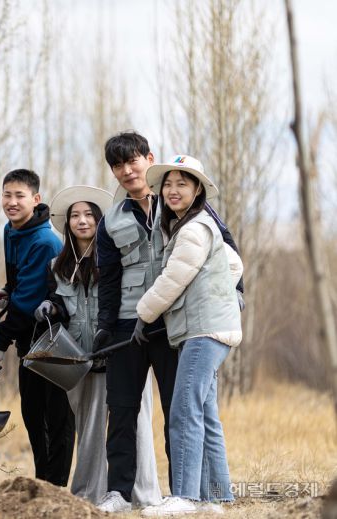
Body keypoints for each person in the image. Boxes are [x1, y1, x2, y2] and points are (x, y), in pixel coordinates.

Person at [94, 132, 241, 513]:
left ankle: (183, 491)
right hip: (129, 326)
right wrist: (103, 328)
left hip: (173, 325)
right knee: (122, 410)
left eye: (133, 161)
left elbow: (226, 251)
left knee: (182, 408)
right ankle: (119, 493)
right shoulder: (109, 220)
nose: (127, 171)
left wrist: (234, 295)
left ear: (149, 159)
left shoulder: (181, 202)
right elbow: (107, 280)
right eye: (118, 165)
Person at [35, 185, 162, 506]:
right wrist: (50, 307)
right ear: (67, 223)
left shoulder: (117, 257)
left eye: (89, 215)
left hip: (124, 350)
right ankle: (89, 494)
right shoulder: (57, 266)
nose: (82, 221)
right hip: (81, 358)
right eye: (75, 216)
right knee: (89, 430)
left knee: (136, 423)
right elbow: (60, 304)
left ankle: (142, 495)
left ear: (100, 220)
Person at [135, 156, 242, 516]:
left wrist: (142, 313)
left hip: (204, 331)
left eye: (183, 183)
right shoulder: (194, 226)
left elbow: (172, 280)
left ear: (197, 190)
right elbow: (234, 264)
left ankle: (184, 497)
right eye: (168, 183)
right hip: (209, 329)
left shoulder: (194, 229)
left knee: (183, 410)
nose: (173, 190)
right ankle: (217, 498)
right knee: (205, 413)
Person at [0, 169, 75, 487]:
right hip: (28, 335)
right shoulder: (11, 230)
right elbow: (21, 286)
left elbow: (27, 304)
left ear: (35, 199)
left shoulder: (44, 240)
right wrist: (7, 291)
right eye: (7, 195)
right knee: (32, 410)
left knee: (56, 415)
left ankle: (55, 486)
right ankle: (42, 481)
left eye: (19, 196)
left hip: (53, 336)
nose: (12, 202)